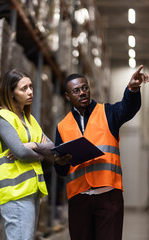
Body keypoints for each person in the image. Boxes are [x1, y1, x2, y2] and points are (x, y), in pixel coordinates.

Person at [54, 65, 149, 240]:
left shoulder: (108, 112)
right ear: (67, 96)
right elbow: (61, 169)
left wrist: (133, 89)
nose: (82, 92)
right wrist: (60, 163)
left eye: (85, 88)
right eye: (76, 90)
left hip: (108, 198)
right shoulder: (62, 126)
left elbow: (128, 107)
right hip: (78, 199)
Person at [0, 69, 54, 240]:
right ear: (11, 94)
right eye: (24, 88)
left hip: (31, 191)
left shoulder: (30, 120)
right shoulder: (3, 118)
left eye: (31, 87)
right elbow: (20, 153)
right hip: (15, 192)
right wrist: (40, 153)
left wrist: (33, 145)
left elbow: (52, 148)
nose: (30, 91)